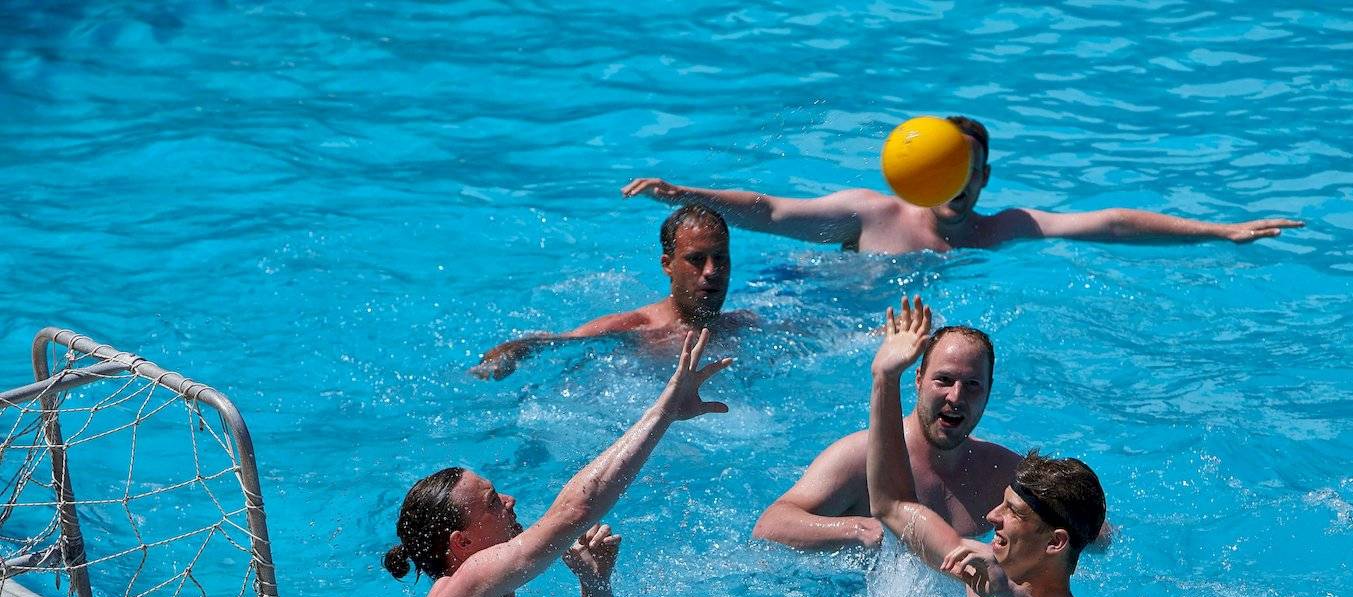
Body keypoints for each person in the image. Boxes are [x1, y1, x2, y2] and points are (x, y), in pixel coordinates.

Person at [386, 330, 732, 597]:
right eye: (492, 502)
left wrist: (594, 583)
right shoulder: (464, 583)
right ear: (462, 542)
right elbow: (576, 510)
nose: (509, 500)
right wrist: (664, 411)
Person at [867, 297, 1125, 597]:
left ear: (1055, 542)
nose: (991, 519)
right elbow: (892, 505)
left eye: (1011, 512)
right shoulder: (980, 578)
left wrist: (1012, 595)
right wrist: (883, 379)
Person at [622, 115, 1303, 254]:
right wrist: (685, 191)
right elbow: (770, 210)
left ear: (983, 177)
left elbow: (1114, 222)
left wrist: (1220, 229)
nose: (959, 185)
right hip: (817, 309)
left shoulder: (1003, 229)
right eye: (946, 169)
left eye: (969, 171)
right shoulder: (870, 214)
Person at [752, 321, 1020, 551]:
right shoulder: (860, 457)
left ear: (988, 391)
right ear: (918, 379)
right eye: (944, 380)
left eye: (972, 385)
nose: (956, 397)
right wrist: (855, 529)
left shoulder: (1005, 475)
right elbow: (770, 525)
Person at [472, 204, 754, 379]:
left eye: (720, 258)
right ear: (667, 265)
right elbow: (562, 341)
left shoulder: (743, 325)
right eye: (696, 259)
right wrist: (510, 351)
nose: (711, 271)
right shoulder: (638, 328)